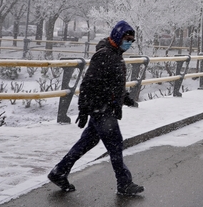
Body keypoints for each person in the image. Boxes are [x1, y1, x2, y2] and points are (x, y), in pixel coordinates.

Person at [48, 20, 144, 196]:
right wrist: (84, 110)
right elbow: (88, 84)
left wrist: (125, 99)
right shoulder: (105, 55)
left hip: (103, 107)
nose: (129, 43)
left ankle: (59, 172)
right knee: (115, 144)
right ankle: (124, 183)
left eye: (131, 40)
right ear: (117, 36)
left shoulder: (115, 54)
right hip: (101, 108)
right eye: (127, 38)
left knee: (88, 141)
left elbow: (112, 85)